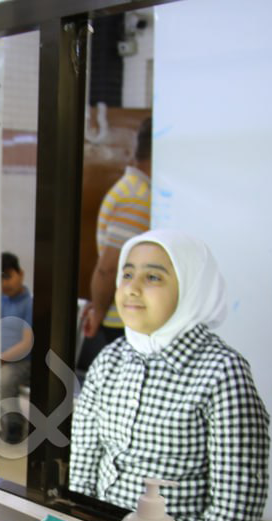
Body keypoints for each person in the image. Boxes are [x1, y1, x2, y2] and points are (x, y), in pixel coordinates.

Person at [70, 230, 270, 521]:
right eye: (127, 274)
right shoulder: (109, 359)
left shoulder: (222, 372)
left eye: (153, 277)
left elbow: (237, 497)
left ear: (192, 289)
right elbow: (84, 458)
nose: (132, 289)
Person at [80, 115, 152, 349]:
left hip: (123, 314)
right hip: (123, 317)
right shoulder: (136, 197)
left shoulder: (133, 189)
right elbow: (109, 266)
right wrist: (99, 311)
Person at [0, 251, 34, 442]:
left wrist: (2, 358)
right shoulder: (0, 301)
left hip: (23, 362)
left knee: (5, 379)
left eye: (8, 277)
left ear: (21, 273)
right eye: (0, 279)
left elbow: (27, 343)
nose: (4, 284)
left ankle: (14, 424)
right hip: (0, 358)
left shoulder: (29, 303)